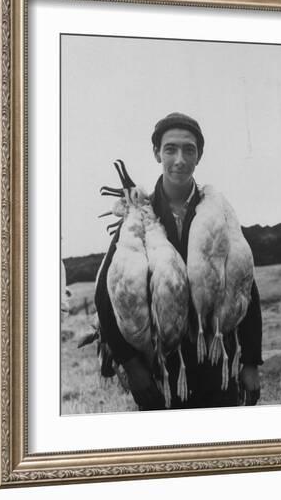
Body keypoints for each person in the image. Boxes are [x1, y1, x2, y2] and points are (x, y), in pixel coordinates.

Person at [95, 112, 263, 410]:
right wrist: (132, 366)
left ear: (199, 155)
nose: (180, 159)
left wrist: (250, 362)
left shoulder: (219, 214)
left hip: (217, 366)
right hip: (160, 372)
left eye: (189, 149)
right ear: (157, 152)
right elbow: (106, 296)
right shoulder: (140, 216)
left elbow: (245, 287)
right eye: (170, 149)